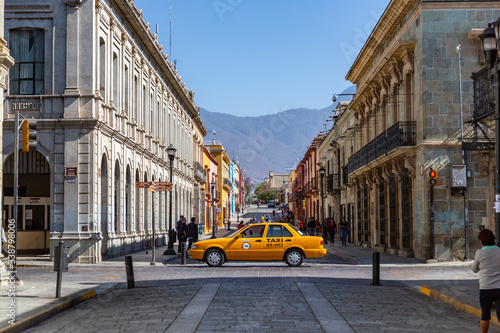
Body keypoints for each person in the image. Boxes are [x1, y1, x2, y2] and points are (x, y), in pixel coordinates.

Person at [472, 229, 500, 333]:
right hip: (499, 287)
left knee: (485, 315)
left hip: (485, 287)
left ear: (481, 241)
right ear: (494, 239)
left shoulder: (479, 253)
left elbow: (474, 269)